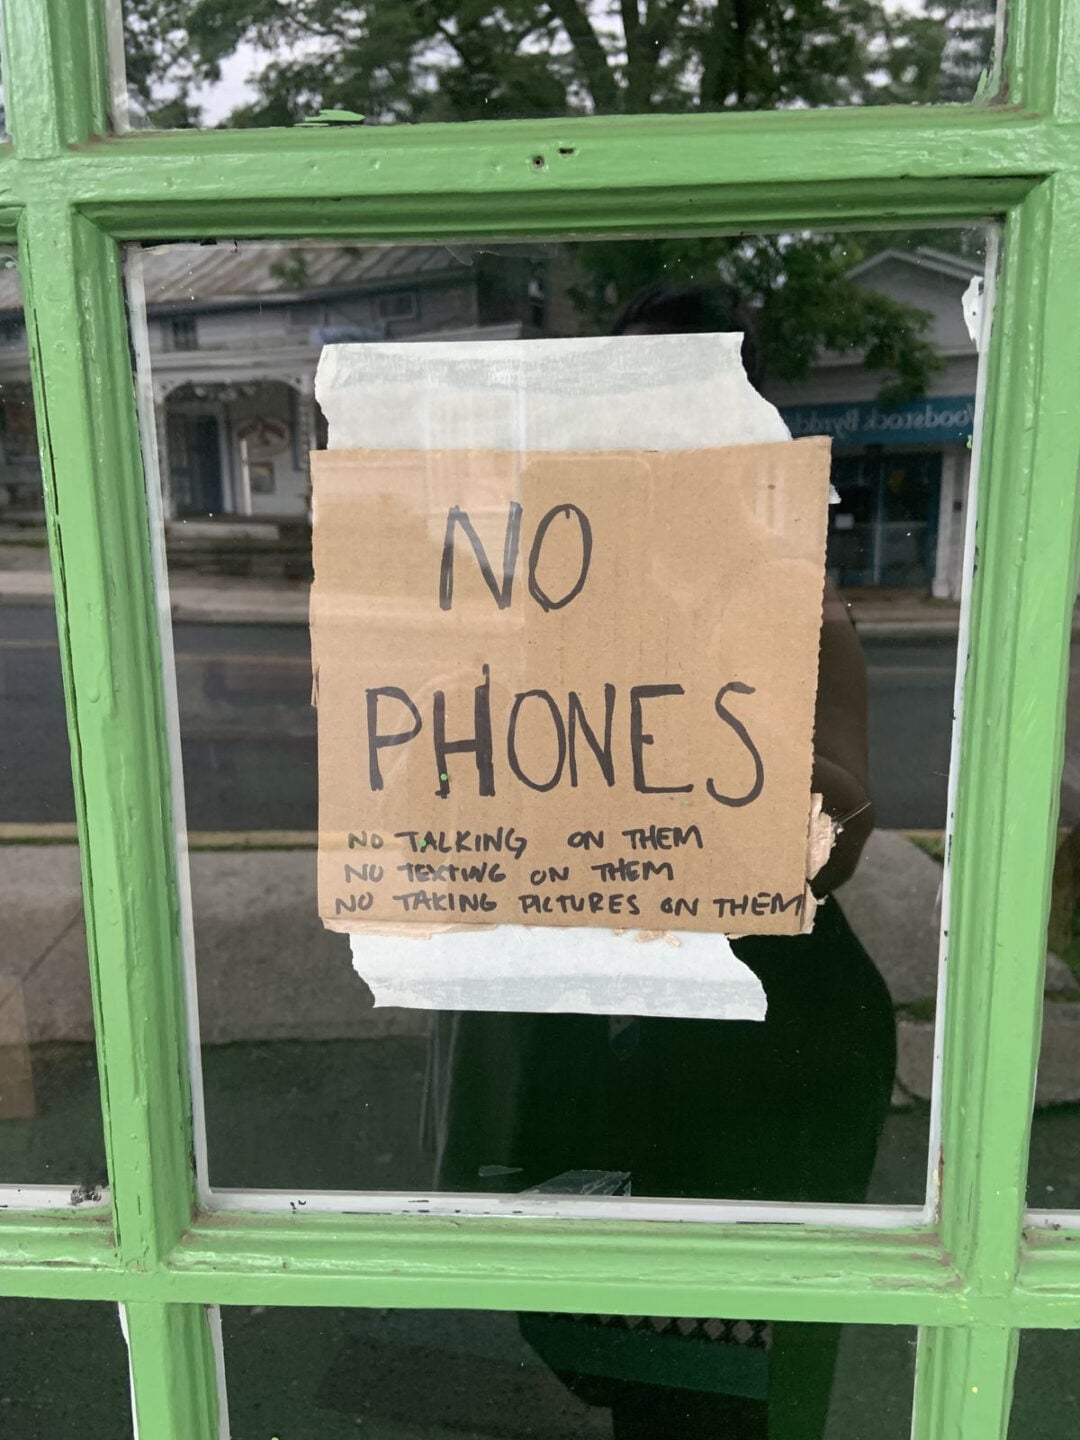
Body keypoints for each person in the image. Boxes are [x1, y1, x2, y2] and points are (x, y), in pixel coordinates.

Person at [431, 282, 897, 1438]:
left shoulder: (789, 601)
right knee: (606, 1355)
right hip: (608, 1025)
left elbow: (812, 842)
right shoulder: (568, 586)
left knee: (728, 1386)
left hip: (763, 1037)